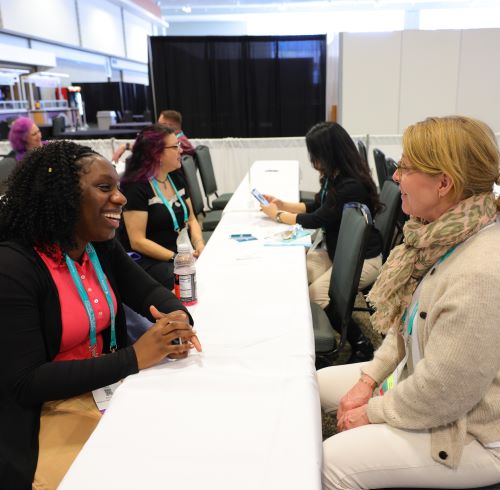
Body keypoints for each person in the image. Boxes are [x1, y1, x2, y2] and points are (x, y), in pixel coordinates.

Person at [0, 141, 202, 488]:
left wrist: (177, 319)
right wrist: (134, 357)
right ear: (62, 197)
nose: (121, 199)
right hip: (47, 414)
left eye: (118, 188)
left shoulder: (96, 243)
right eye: (105, 188)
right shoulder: (13, 267)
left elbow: (149, 291)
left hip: (109, 389)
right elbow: (25, 382)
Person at [317, 116, 500, 490]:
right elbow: (407, 326)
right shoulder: (441, 237)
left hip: (472, 433)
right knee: (313, 385)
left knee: (330, 464)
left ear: (444, 183)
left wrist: (370, 412)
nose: (396, 177)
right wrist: (368, 380)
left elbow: (444, 392)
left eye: (406, 167)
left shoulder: (481, 271)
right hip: (429, 390)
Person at [260, 121, 383, 362]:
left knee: (316, 296)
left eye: (315, 154)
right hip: (338, 251)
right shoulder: (335, 176)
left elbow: (318, 218)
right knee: (294, 276)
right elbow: (319, 206)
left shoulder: (350, 185)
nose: (312, 159)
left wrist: (276, 215)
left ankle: (360, 343)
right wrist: (282, 205)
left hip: (361, 260)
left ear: (329, 153)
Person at [120, 124, 205, 290]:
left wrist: (199, 244)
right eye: (175, 147)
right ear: (156, 153)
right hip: (151, 261)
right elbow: (137, 241)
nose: (180, 151)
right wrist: (176, 258)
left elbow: (193, 219)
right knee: (193, 284)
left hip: (181, 255)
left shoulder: (175, 176)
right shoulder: (136, 187)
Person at [1, 117, 43, 194]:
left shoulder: (46, 150)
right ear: (23, 139)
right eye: (34, 134)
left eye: (38, 131)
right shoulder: (14, 162)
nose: (39, 136)